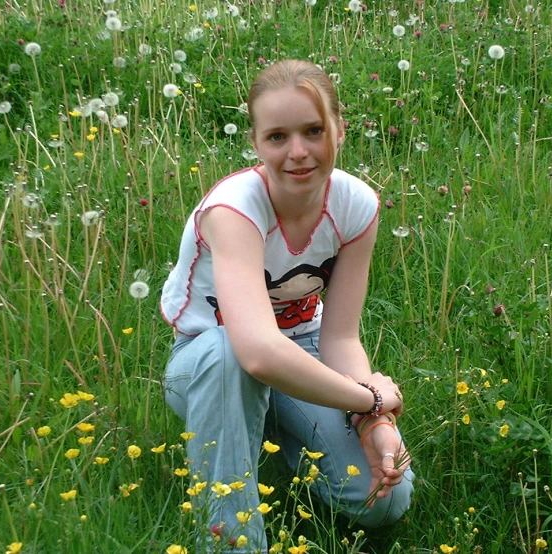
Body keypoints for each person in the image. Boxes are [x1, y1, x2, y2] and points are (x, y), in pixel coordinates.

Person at [161, 59, 413, 553]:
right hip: (208, 365)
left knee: (383, 499)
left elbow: (339, 337)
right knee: (230, 351)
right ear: (256, 142)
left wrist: (373, 424)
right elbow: (255, 352)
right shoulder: (233, 210)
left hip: (305, 350)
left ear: (339, 130)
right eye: (277, 136)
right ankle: (232, 542)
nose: (297, 152)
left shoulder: (356, 206)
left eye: (313, 131)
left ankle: (279, 437)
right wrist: (371, 399)